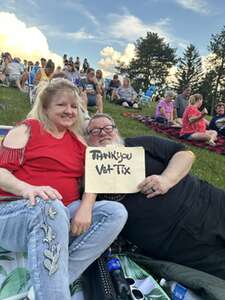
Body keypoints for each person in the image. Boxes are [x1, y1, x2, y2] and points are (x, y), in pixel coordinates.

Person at [0, 80, 127, 299]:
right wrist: (28, 189)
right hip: (17, 214)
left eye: (74, 106)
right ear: (46, 107)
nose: (69, 111)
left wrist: (87, 206)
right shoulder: (26, 130)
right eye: (61, 105)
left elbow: (95, 175)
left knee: (115, 212)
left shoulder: (78, 141)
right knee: (50, 204)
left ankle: (46, 285)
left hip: (62, 216)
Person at [86, 113, 225, 281]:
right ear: (87, 141)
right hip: (177, 244)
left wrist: (167, 179)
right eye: (95, 131)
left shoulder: (140, 145)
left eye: (108, 127)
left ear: (117, 131)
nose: (103, 133)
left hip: (206, 203)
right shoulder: (90, 179)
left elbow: (185, 154)